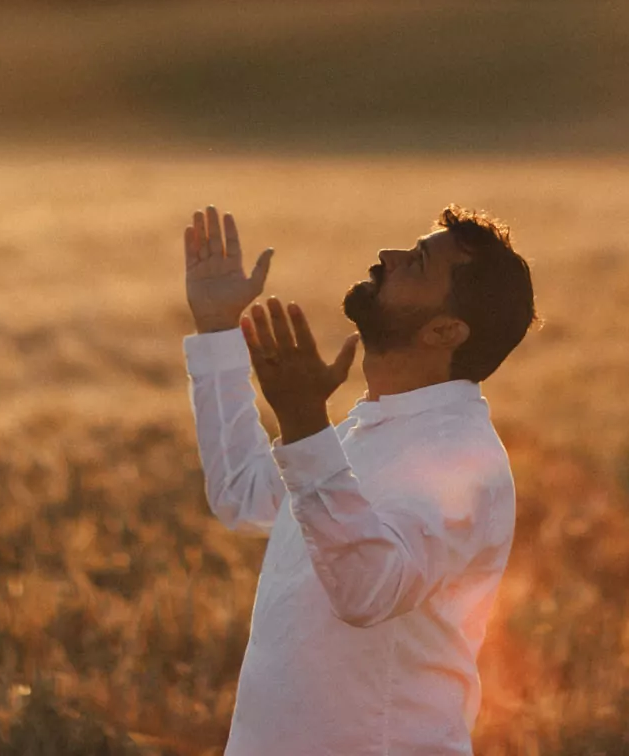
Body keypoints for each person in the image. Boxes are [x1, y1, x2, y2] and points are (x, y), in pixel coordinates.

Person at [180, 203, 537, 755]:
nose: (388, 256)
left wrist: (303, 424)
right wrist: (217, 328)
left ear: (445, 330)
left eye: (417, 263)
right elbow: (244, 496)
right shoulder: (367, 428)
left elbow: (368, 589)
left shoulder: (463, 461)